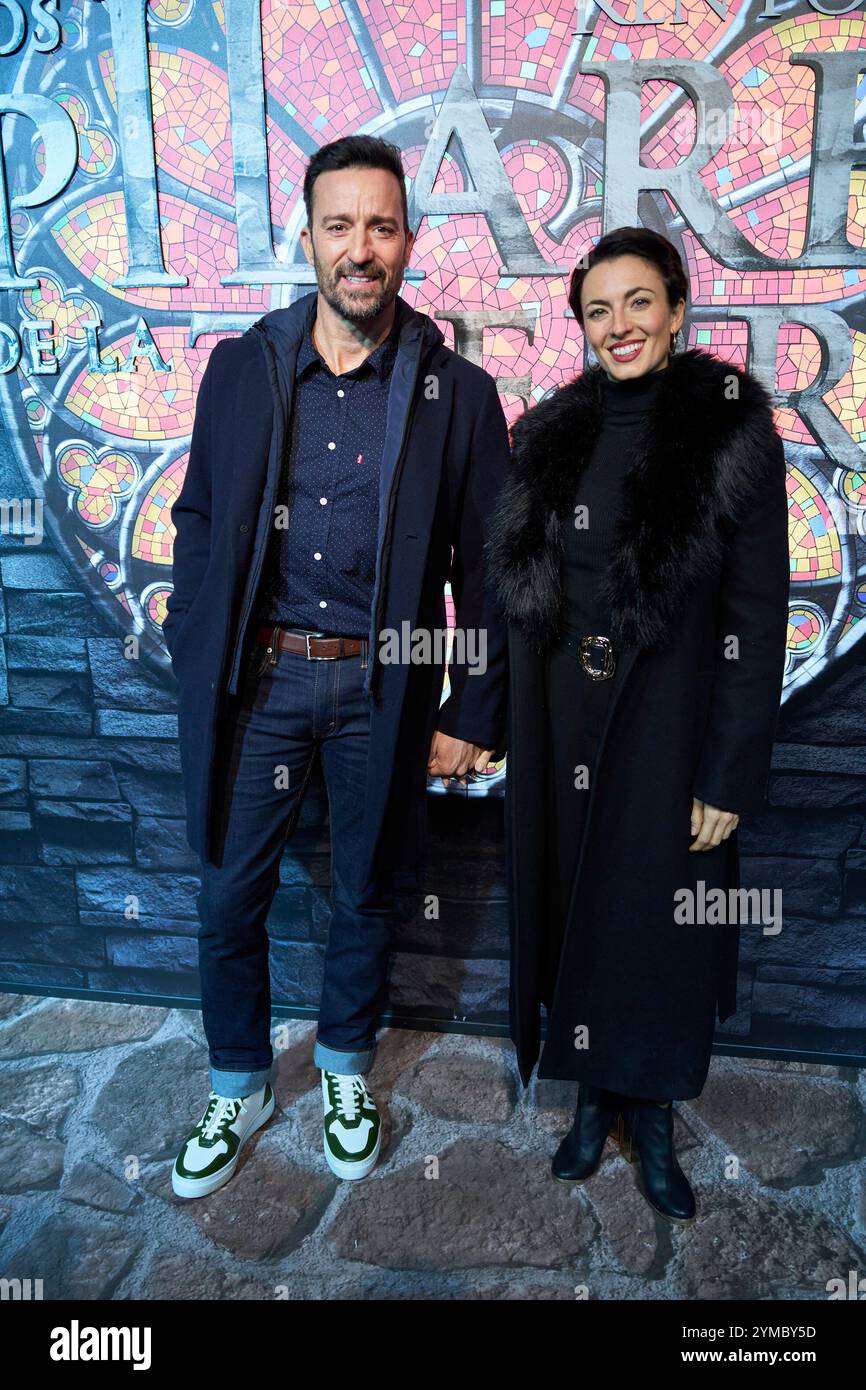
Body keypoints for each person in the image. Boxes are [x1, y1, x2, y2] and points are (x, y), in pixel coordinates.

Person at [165, 135, 509, 1197]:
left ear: (407, 238)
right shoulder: (242, 366)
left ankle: (345, 1069)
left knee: (364, 893)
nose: (359, 248)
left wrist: (475, 704)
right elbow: (197, 519)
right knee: (230, 896)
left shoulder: (460, 394)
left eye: (380, 225)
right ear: (305, 235)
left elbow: (489, 568)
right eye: (338, 224)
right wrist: (196, 638)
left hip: (380, 690)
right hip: (258, 683)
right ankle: (238, 1079)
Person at [485, 226, 790, 1224]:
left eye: (636, 303)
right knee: (574, 906)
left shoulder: (730, 430)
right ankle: (588, 1099)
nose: (617, 325)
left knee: (657, 923)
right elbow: (514, 598)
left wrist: (727, 775)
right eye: (596, 310)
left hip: (667, 729)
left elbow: (755, 614)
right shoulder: (548, 433)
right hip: (558, 722)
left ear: (675, 309)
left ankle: (648, 1113)